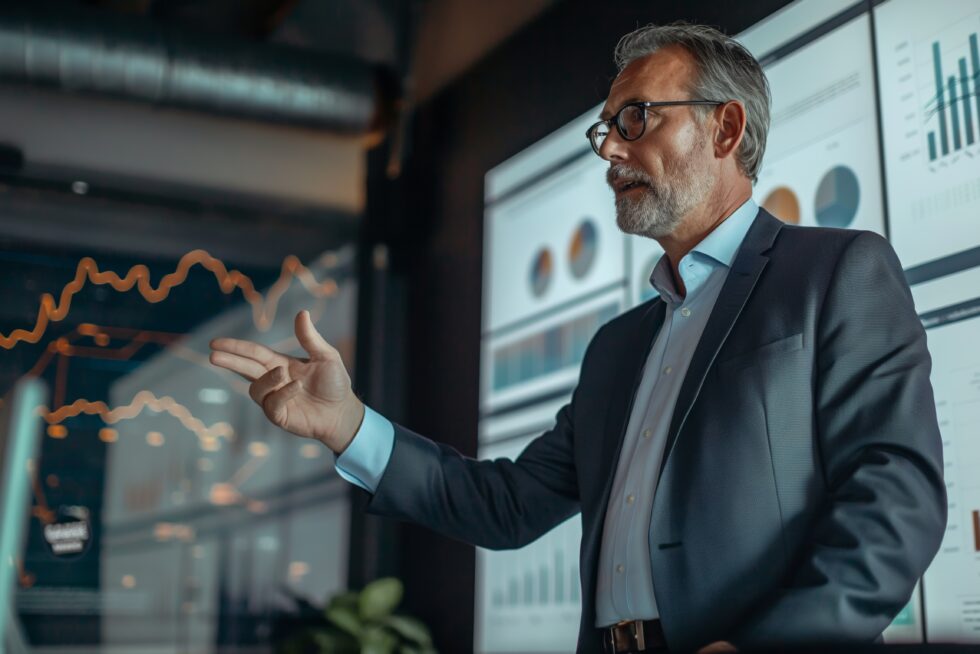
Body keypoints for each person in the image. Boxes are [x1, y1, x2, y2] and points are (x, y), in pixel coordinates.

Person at [209, 22, 946, 654]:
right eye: (607, 129)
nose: (610, 151)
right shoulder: (619, 346)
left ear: (725, 128)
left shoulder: (836, 271)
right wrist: (348, 427)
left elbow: (896, 498)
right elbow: (508, 505)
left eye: (637, 120)